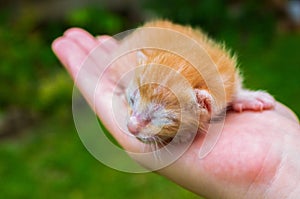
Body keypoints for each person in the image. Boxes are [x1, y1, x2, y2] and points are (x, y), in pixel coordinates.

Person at [52, 28, 300, 199]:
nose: (132, 124)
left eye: (156, 116)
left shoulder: (207, 94)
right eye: (132, 101)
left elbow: (225, 83)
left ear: (204, 105)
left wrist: (238, 95)